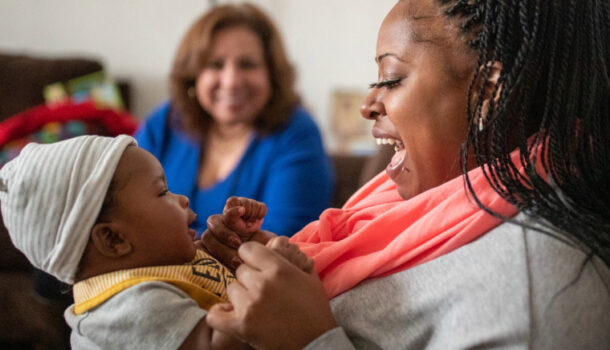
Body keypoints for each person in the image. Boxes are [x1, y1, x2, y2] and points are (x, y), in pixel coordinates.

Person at [200, 0, 610, 349]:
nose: (368, 104)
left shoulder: (532, 292)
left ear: (488, 90)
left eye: (392, 79)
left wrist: (308, 339)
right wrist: (267, 267)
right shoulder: (411, 195)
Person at [0, 134, 311, 349]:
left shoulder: (159, 266)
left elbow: (200, 279)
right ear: (114, 238)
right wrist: (277, 278)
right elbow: (218, 343)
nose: (182, 199)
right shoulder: (126, 307)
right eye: (162, 192)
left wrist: (227, 244)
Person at [135, 3, 334, 237]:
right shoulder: (164, 122)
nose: (231, 81)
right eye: (215, 65)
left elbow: (285, 240)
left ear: (272, 74)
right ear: (193, 75)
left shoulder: (298, 134)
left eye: (247, 64)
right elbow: (125, 213)